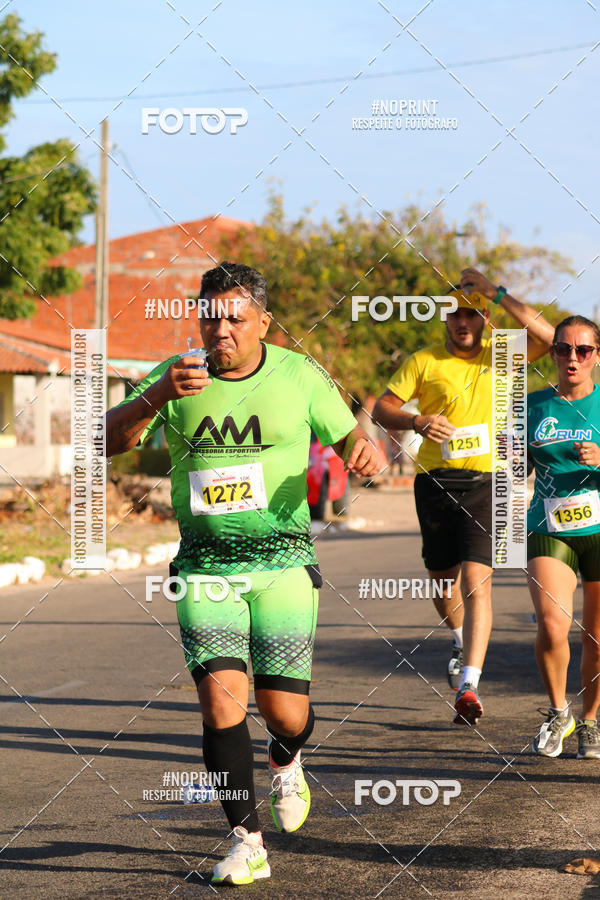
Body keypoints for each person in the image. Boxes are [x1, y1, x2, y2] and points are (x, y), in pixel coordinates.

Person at [105, 262, 381, 885]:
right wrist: (156, 397)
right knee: (220, 701)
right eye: (210, 315)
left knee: (283, 713)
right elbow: (105, 442)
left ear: (263, 322)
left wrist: (365, 449)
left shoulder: (299, 374)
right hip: (205, 567)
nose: (220, 329)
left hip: (282, 561)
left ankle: (288, 757)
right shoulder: (177, 375)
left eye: (234, 317)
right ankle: (244, 839)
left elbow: (353, 440)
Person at [372, 268, 554, 725]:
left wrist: (498, 292)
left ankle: (469, 684)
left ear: (484, 318)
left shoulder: (504, 355)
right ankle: (457, 637)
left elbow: (549, 337)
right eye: (454, 315)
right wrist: (416, 421)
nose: (462, 322)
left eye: (472, 314)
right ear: (444, 320)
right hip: (435, 480)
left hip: (488, 480)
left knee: (477, 580)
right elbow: (382, 407)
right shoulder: (424, 361)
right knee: (441, 579)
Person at [527, 315, 600, 758]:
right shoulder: (532, 405)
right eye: (562, 348)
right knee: (553, 626)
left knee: (596, 638)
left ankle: (590, 721)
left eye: (583, 350)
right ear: (552, 352)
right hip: (547, 526)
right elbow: (513, 469)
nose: (572, 358)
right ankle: (559, 713)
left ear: (596, 356)